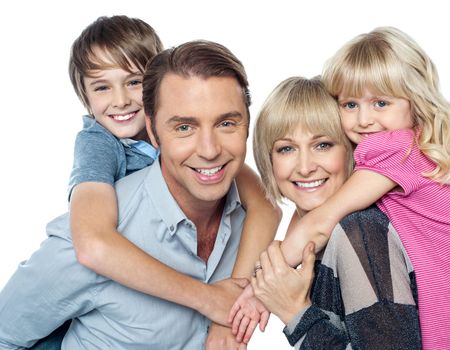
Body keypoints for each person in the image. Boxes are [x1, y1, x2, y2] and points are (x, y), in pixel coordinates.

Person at [0, 39, 267, 349]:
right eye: (184, 127)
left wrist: (228, 317)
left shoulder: (252, 217)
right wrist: (208, 300)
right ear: (153, 132)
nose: (209, 150)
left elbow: (271, 205)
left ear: (247, 126)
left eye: (226, 123)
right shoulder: (89, 235)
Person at [276, 27, 450, 348]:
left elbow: (322, 219)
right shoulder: (417, 148)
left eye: (381, 103)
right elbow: (308, 217)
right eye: (349, 104)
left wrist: (258, 287)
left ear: (415, 102)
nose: (364, 119)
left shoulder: (397, 148)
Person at [233, 77, 421, 348]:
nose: (305, 167)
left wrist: (295, 311)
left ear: (351, 150)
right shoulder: (319, 234)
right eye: (286, 149)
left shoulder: (360, 231)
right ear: (268, 160)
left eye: (322, 145)